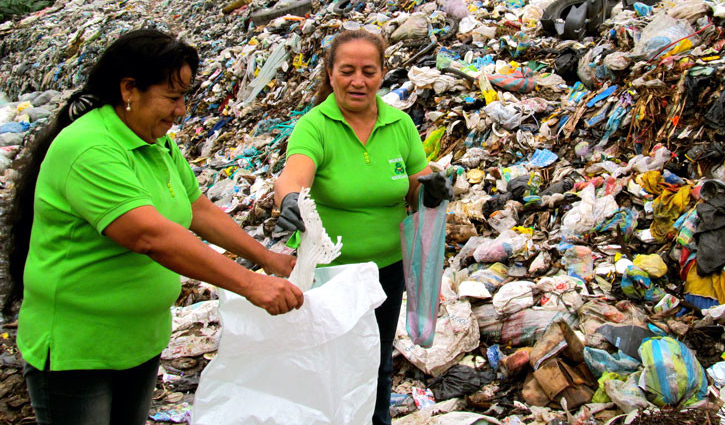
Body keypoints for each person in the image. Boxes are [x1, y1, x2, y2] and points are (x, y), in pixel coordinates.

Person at [4, 29, 304, 425]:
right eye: (172, 97)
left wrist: (266, 258)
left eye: (185, 97)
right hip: (79, 351)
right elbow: (149, 236)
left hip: (140, 343)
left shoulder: (155, 142)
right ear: (130, 89)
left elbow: (198, 209)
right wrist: (251, 285)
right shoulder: (90, 148)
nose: (181, 111)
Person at [273, 29, 452, 425]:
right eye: (347, 70)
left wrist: (433, 190)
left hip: (386, 270)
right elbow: (294, 174)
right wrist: (288, 199)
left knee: (377, 359)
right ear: (331, 74)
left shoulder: (400, 124)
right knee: (327, 363)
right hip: (329, 275)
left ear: (382, 73)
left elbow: (416, 185)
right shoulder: (315, 126)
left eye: (368, 71)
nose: (358, 80)